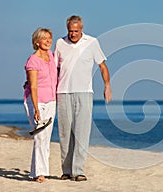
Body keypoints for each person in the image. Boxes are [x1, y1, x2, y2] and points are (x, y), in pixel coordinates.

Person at [54, 15, 112, 182]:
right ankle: (66, 170)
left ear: (82, 29)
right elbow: (54, 69)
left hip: (84, 92)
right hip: (63, 92)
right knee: (65, 134)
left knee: (82, 132)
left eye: (76, 31)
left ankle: (78, 170)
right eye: (70, 31)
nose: (72, 34)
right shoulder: (60, 43)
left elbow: (102, 66)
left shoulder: (92, 42)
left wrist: (107, 86)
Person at [23, 28, 57, 182]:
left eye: (49, 38)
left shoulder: (50, 55)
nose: (48, 41)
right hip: (36, 101)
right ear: (37, 42)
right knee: (40, 136)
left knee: (45, 137)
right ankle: (40, 173)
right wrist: (36, 109)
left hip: (51, 100)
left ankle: (37, 171)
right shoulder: (33, 61)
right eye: (44, 38)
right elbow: (34, 86)